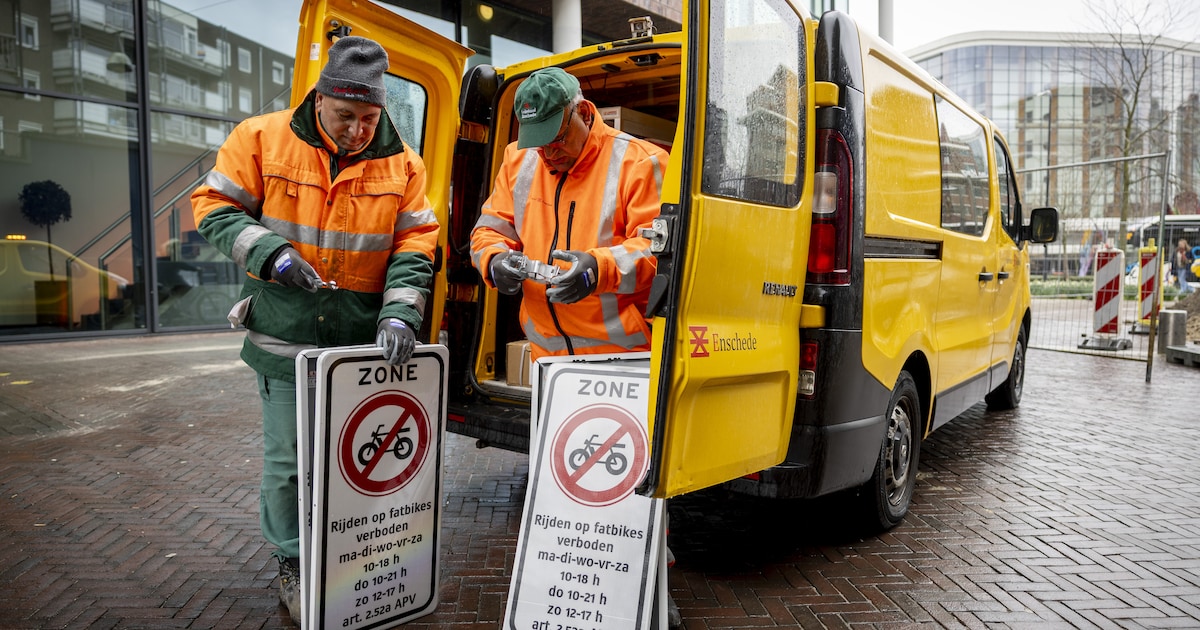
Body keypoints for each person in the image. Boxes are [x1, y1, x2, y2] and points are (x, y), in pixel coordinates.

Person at [190, 36, 438, 625]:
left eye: (369, 117)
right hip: (284, 337)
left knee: (362, 461)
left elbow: (415, 241)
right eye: (345, 116)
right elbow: (212, 207)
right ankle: (294, 563)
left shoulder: (403, 161)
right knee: (290, 461)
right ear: (320, 98)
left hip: (360, 346)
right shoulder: (260, 137)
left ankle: (357, 560)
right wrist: (271, 253)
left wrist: (401, 313)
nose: (357, 130)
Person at [468, 67, 678, 626]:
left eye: (558, 141)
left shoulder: (640, 162)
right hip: (552, 366)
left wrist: (598, 269)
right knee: (560, 484)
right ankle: (566, 594)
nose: (549, 156)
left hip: (623, 360)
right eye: (539, 145)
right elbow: (487, 230)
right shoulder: (520, 159)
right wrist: (496, 261)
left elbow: (658, 255)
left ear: (584, 114)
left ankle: (649, 589)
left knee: (634, 488)